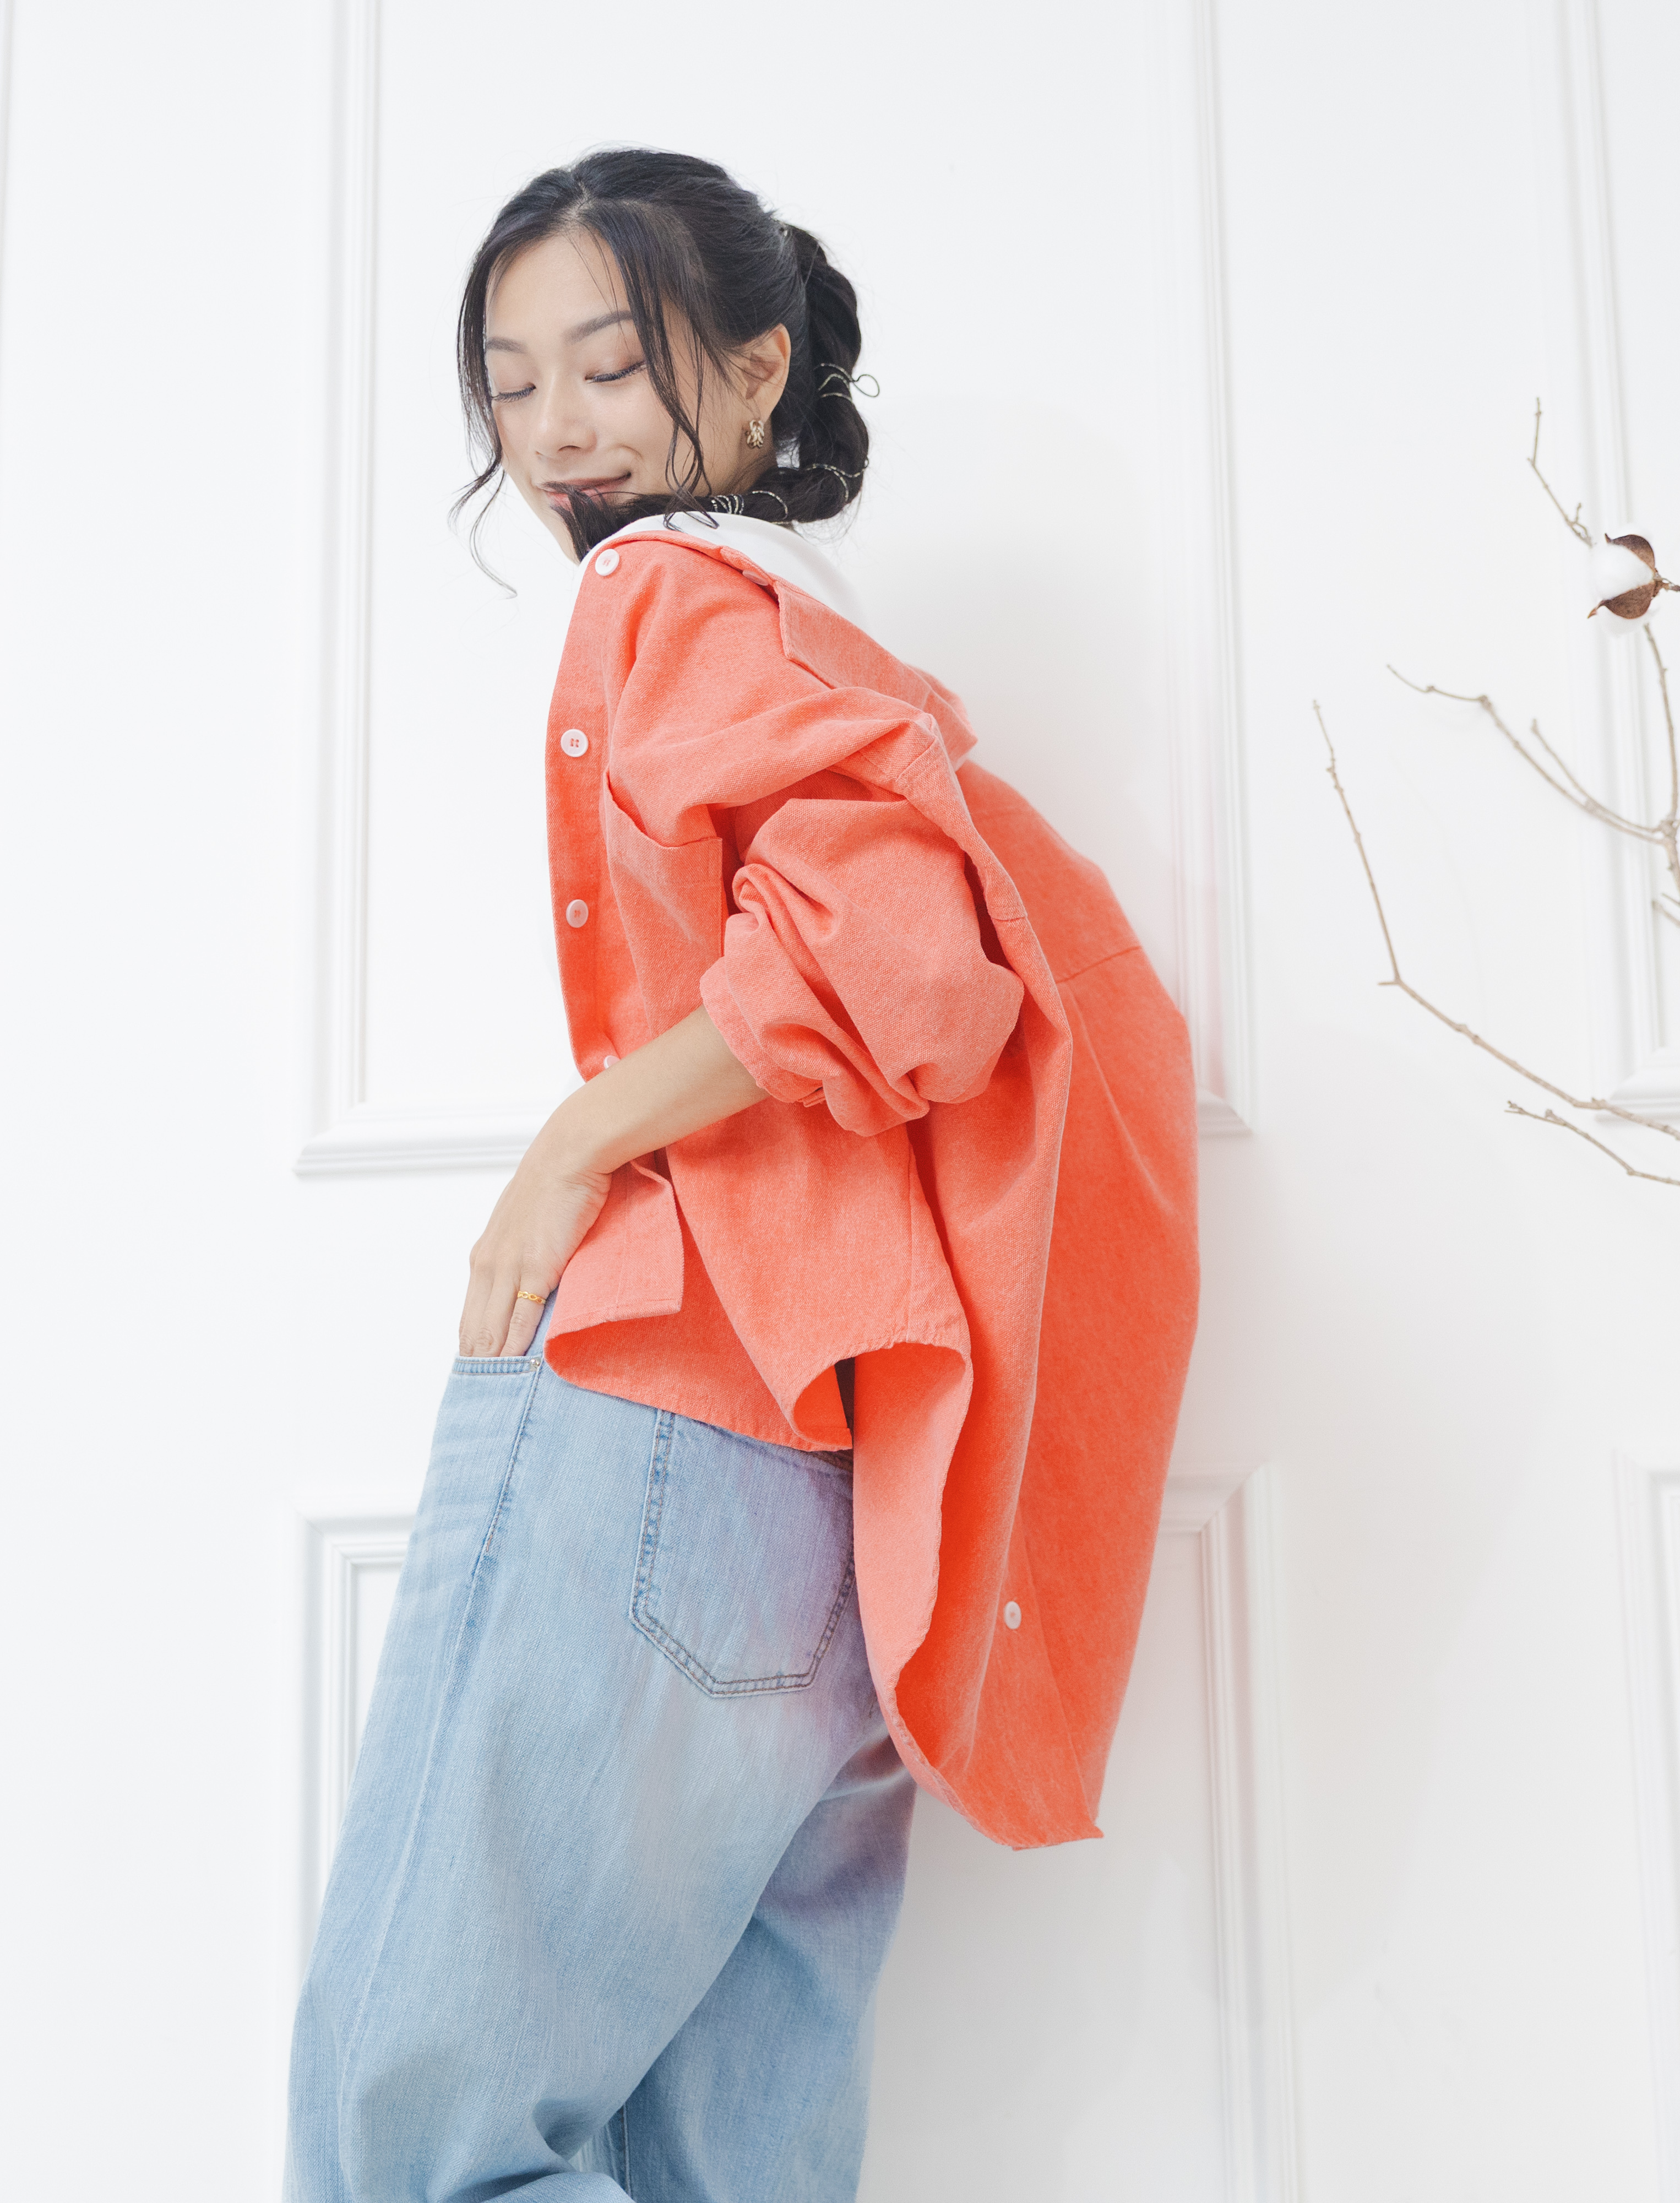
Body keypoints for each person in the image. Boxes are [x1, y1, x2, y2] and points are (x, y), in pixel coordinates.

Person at [282, 147, 1201, 2203]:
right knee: (730, 2163)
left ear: (759, 363)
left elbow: (900, 955)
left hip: (659, 1413)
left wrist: (579, 1140)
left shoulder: (670, 594)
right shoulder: (834, 644)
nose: (559, 430)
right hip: (832, 1493)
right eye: (512, 382)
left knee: (416, 2135)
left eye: (613, 364)